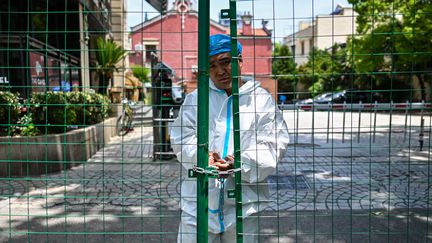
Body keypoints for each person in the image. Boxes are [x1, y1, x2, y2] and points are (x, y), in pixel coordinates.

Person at [170, 34, 289, 242]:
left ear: (240, 61)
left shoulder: (260, 101)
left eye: (225, 62)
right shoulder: (196, 99)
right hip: (199, 204)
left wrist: (240, 162)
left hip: (245, 206)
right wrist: (201, 156)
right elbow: (181, 137)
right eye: (212, 65)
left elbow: (273, 144)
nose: (219, 71)